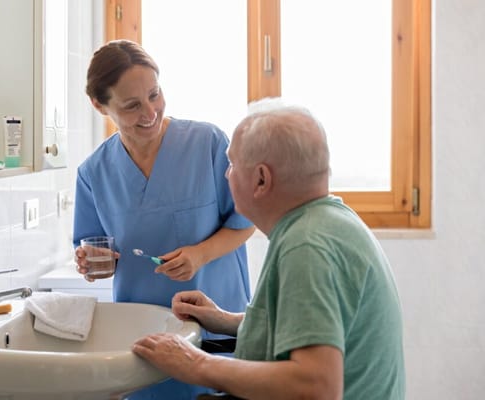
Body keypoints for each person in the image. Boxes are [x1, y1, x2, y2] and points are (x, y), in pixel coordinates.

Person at [132, 101, 406, 399]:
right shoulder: (329, 220)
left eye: (232, 164)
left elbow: (317, 387)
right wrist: (224, 319)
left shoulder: (307, 246)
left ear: (261, 179)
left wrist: (195, 363)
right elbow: (307, 324)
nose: (226, 175)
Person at [73, 40, 256, 399]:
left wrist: (200, 254)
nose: (150, 112)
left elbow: (245, 220)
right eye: (132, 105)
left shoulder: (208, 144)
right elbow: (97, 254)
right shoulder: (93, 173)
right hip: (144, 339)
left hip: (215, 332)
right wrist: (94, 265)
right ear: (99, 105)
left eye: (154, 95)